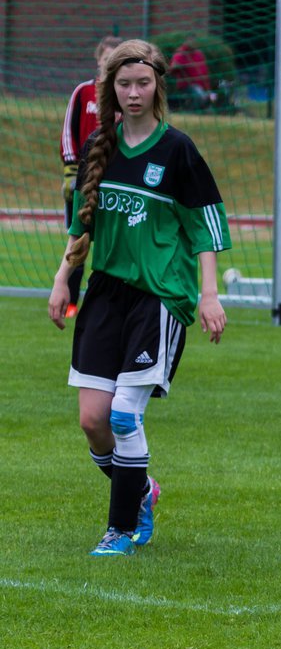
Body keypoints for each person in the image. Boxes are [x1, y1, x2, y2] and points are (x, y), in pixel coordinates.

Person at [48, 39, 231, 557]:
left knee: (125, 414)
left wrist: (209, 295)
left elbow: (205, 226)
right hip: (105, 293)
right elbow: (81, 225)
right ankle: (141, 489)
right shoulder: (98, 148)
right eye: (123, 85)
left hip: (159, 296)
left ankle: (121, 530)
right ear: (110, 90)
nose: (133, 93)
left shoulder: (178, 150)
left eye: (142, 84)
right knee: (93, 421)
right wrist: (63, 278)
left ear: (158, 88)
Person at [59, 35, 121, 318]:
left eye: (115, 58)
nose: (109, 63)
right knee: (78, 239)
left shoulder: (123, 94)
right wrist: (71, 171)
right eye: (106, 58)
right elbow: (68, 132)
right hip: (85, 179)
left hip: (115, 178)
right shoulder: (82, 92)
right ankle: (70, 302)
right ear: (98, 60)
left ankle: (112, 302)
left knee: (114, 243)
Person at [168, 37, 211, 110]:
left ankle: (202, 109)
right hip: (187, 85)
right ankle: (191, 111)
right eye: (190, 41)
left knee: (211, 96)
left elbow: (205, 72)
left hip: (202, 85)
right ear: (186, 42)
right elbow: (171, 71)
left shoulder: (199, 54)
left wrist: (208, 87)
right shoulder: (180, 54)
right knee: (199, 93)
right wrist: (176, 67)